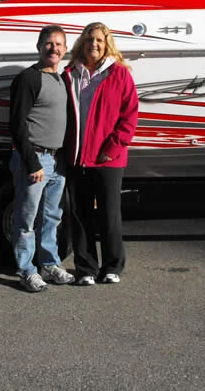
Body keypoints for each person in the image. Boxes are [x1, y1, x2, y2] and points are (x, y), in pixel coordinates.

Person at [63, 22, 139, 286]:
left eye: (98, 40)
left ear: (107, 44)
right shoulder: (70, 74)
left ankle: (112, 266)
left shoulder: (119, 74)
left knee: (109, 215)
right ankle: (86, 268)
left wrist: (113, 148)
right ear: (81, 44)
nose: (93, 44)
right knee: (80, 216)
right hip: (77, 158)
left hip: (108, 159)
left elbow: (130, 116)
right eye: (88, 40)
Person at [9, 24, 76, 292]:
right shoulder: (29, 78)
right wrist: (31, 162)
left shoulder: (61, 80)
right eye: (49, 43)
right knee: (26, 219)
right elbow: (17, 125)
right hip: (35, 159)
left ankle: (49, 264)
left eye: (59, 44)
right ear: (39, 47)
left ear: (65, 49)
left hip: (57, 161)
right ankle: (26, 270)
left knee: (52, 217)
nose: (53, 48)